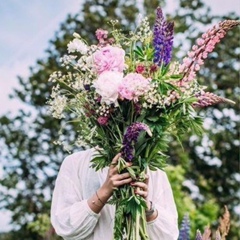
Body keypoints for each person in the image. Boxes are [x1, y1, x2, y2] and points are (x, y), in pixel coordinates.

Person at [51, 148, 179, 240]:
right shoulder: (75, 163)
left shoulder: (152, 168)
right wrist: (104, 192)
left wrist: (147, 208)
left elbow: (169, 235)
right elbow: (65, 226)